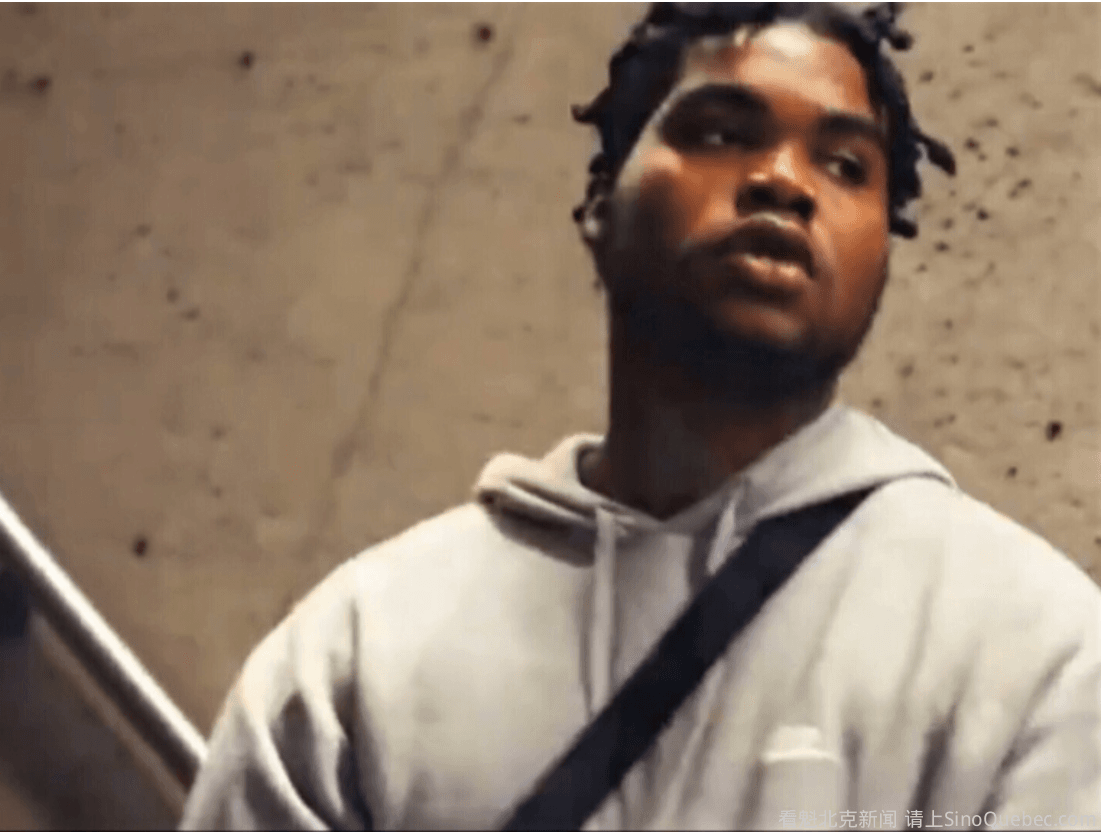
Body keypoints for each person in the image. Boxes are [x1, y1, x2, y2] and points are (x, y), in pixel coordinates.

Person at [180, 3, 1101, 830]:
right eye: (721, 133)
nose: (783, 180)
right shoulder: (360, 654)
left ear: (883, 252)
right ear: (599, 202)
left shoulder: (1028, 650)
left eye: (845, 165)